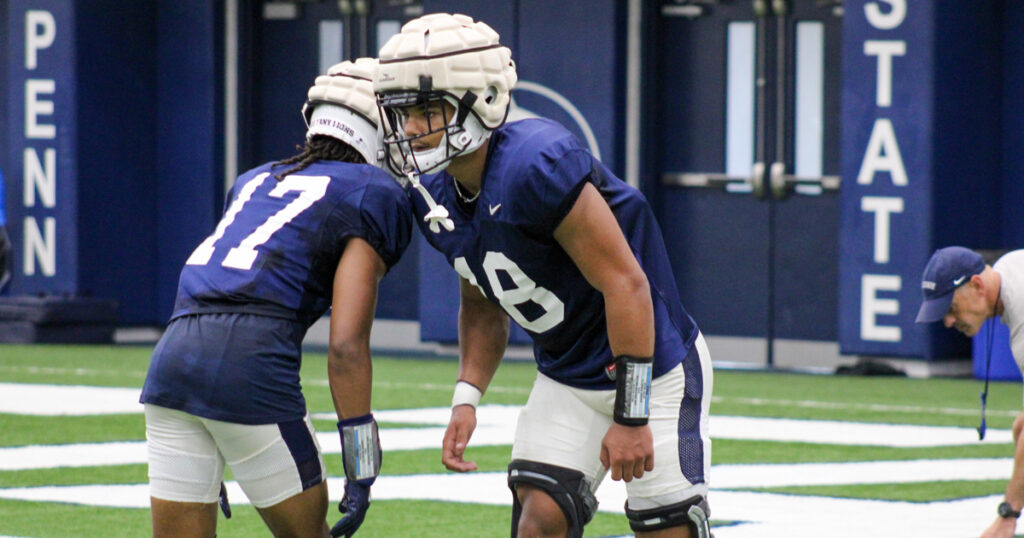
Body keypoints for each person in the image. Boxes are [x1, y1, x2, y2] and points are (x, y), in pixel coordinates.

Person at [374, 13, 713, 538]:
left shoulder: (533, 165)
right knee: (538, 524)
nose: (413, 128)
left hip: (655, 366)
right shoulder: (434, 196)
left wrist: (630, 416)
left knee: (666, 528)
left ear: (479, 100)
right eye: (404, 113)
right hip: (567, 376)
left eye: (427, 110)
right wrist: (467, 397)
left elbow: (626, 284)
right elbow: (482, 301)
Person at [139, 58, 412, 538]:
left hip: (173, 363)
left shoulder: (253, 180)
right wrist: (362, 464)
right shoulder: (373, 191)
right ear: (378, 133)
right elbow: (346, 346)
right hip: (249, 366)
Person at [916, 246, 1024, 538]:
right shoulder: (1009, 267)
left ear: (977, 286)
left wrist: (1008, 515)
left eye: (951, 308)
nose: (949, 321)